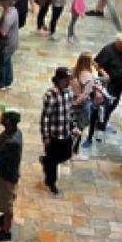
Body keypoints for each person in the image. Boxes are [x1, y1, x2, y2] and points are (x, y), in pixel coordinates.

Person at [40, 67, 76, 195]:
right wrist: (45, 135)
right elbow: (46, 116)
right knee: (53, 161)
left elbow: (71, 111)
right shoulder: (51, 94)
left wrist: (73, 125)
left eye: (69, 80)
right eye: (66, 80)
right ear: (59, 80)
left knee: (66, 154)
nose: (68, 83)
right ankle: (51, 182)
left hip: (65, 132)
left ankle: (46, 160)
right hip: (54, 133)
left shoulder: (69, 92)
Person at [93, 32, 122, 141]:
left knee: (114, 104)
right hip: (109, 83)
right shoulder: (108, 50)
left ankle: (104, 121)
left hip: (121, 82)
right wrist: (105, 74)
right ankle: (100, 127)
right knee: (104, 105)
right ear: (118, 43)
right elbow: (96, 63)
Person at [0, 108, 22, 242]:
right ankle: (3, 219)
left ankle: (6, 231)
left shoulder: (12, 141)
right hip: (5, 171)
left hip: (8, 175)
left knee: (7, 203)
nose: (1, 117)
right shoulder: (13, 132)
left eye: (3, 116)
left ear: (8, 121)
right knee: (3, 199)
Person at [70, 53, 96, 161]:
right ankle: (74, 151)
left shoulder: (72, 71)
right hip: (82, 105)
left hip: (72, 101)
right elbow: (85, 95)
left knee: (71, 126)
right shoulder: (88, 76)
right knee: (79, 129)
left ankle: (67, 149)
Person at [0, 3, 19, 90]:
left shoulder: (8, 16)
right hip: (12, 43)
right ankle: (8, 81)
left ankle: (1, 84)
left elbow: (3, 32)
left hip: (5, 45)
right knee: (7, 62)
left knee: (1, 64)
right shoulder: (14, 10)